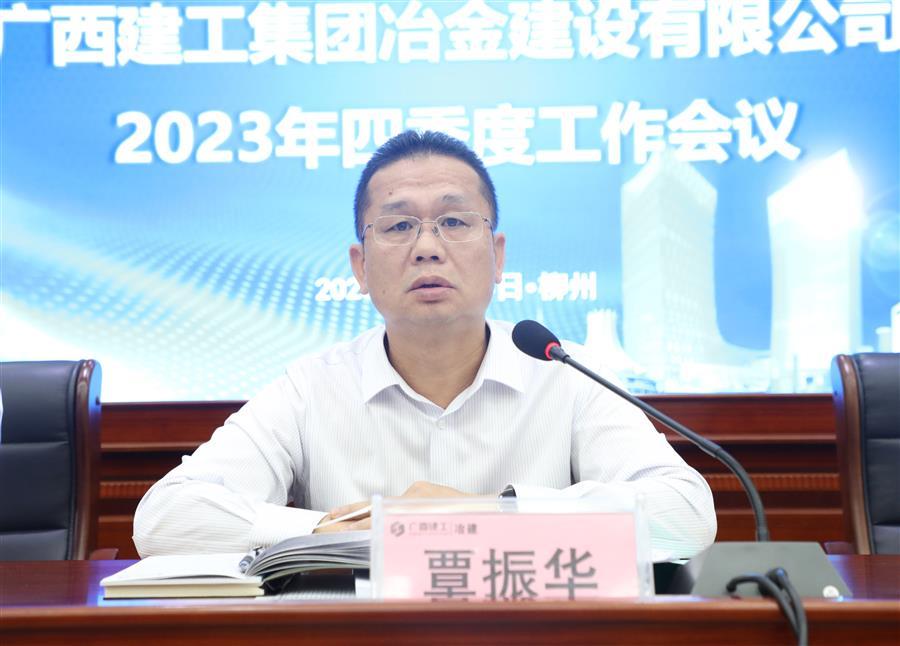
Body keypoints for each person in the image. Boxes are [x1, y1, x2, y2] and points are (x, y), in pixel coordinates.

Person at [133, 131, 716, 561]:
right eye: (398, 226)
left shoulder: (565, 375)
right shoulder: (312, 387)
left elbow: (685, 515)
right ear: (360, 266)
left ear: (498, 257)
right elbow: (165, 518)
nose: (428, 247)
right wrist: (334, 531)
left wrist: (490, 513)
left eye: (455, 222)